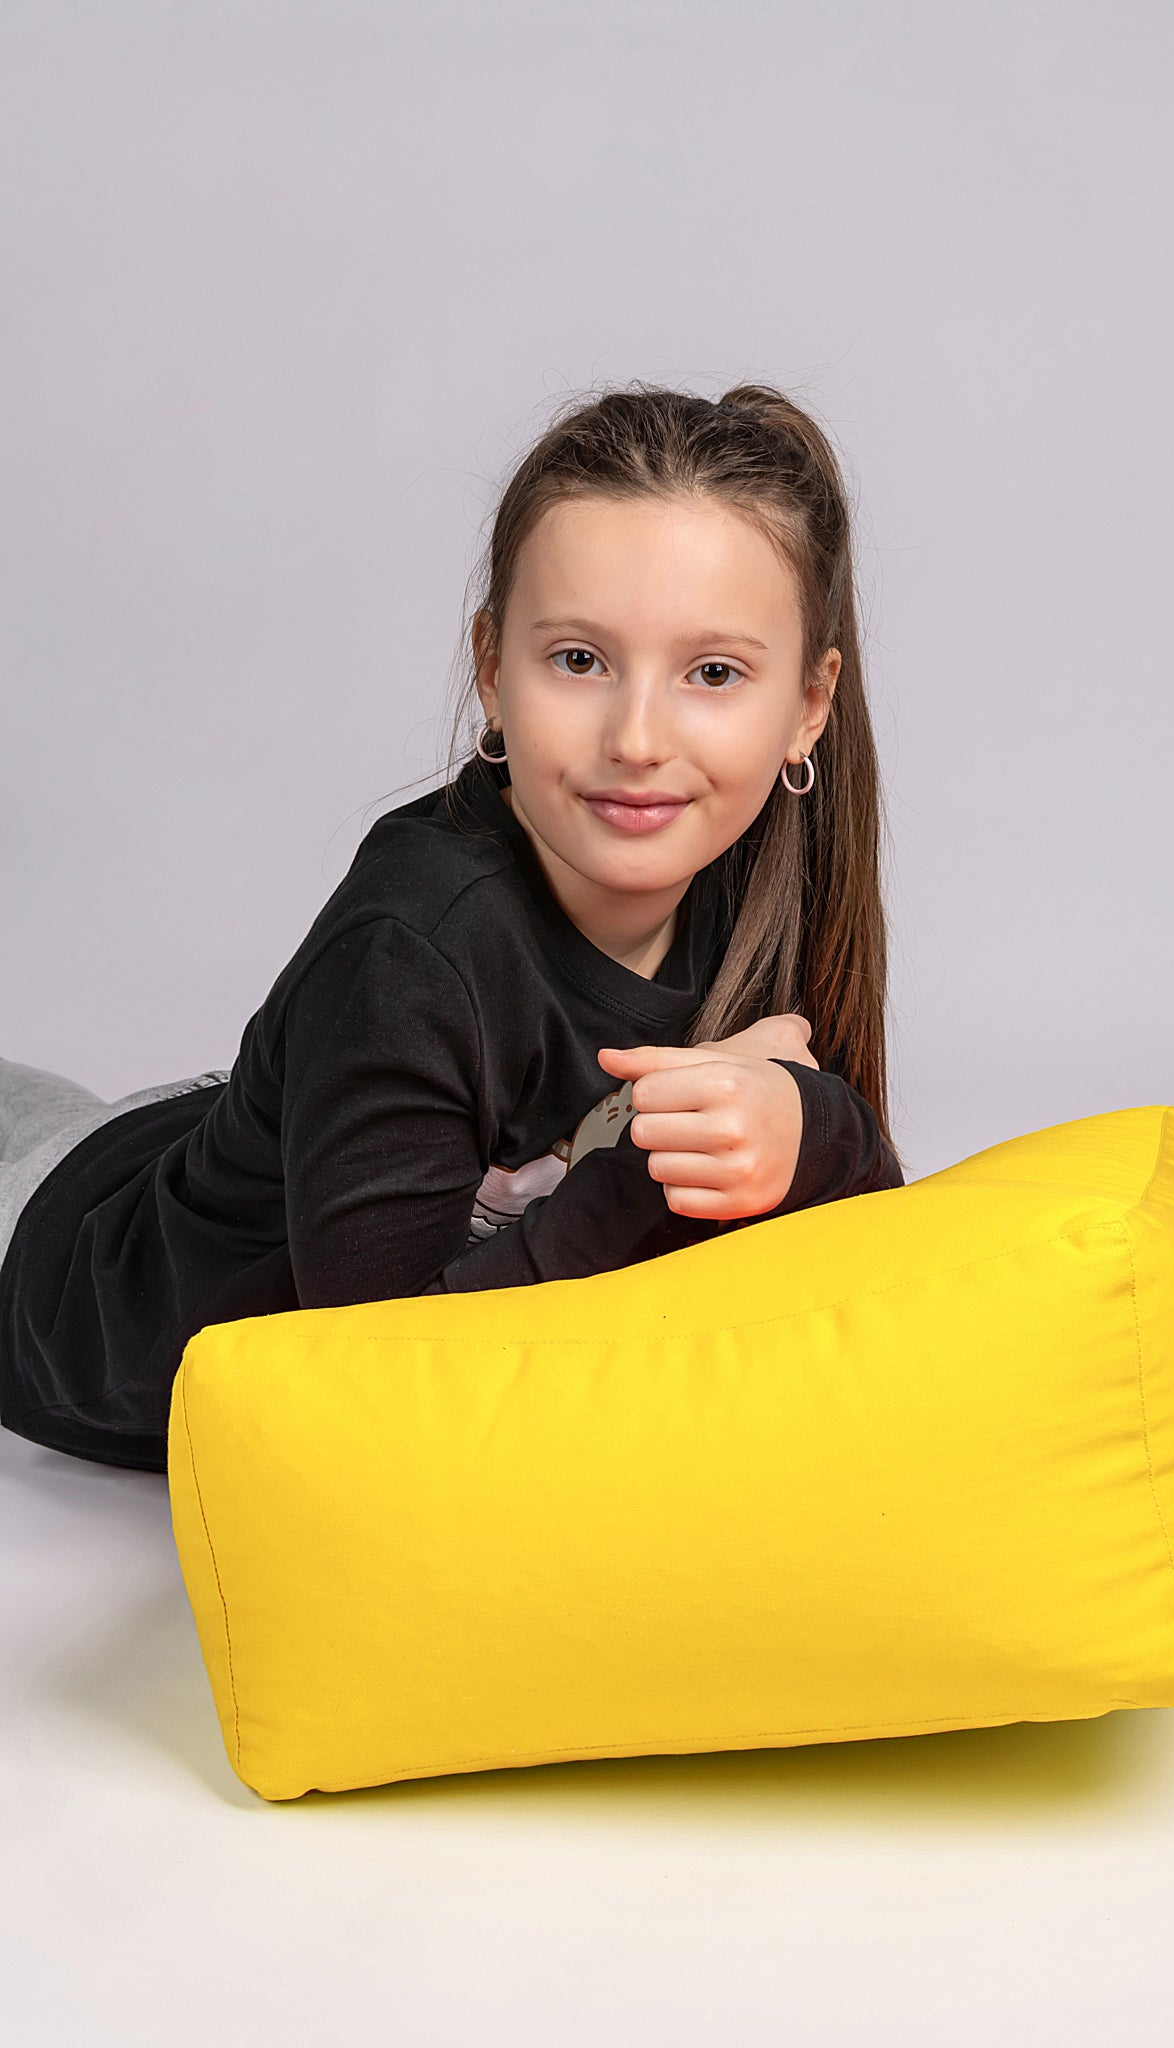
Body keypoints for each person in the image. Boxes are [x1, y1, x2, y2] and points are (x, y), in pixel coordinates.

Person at [0, 382, 905, 1476]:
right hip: (63, 1266)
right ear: (491, 667)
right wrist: (646, 1165)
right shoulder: (414, 940)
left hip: (271, 1145)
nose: (638, 737)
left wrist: (814, 1123)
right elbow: (388, 1389)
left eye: (713, 672)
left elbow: (856, 1278)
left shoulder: (748, 867)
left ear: (809, 703)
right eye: (579, 659)